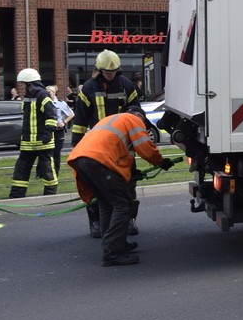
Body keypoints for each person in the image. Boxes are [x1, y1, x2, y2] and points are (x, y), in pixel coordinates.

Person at [68, 108, 173, 266]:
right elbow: (145, 146)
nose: (143, 127)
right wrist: (161, 162)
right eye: (144, 123)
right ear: (139, 116)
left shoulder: (111, 120)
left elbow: (121, 153)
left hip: (81, 160)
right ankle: (112, 252)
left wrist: (131, 172)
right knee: (122, 203)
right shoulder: (133, 119)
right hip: (98, 161)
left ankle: (114, 243)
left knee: (106, 202)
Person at [72, 50, 143, 238]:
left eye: (113, 72)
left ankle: (128, 220)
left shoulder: (126, 85)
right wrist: (77, 146)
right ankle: (95, 222)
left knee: (128, 185)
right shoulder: (88, 88)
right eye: (107, 72)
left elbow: (137, 112)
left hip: (123, 147)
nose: (110, 75)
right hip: (98, 149)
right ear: (99, 70)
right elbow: (80, 120)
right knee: (96, 186)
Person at [9, 69, 59, 198]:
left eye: (25, 84)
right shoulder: (28, 97)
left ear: (31, 83)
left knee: (47, 170)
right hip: (28, 142)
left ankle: (50, 195)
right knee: (21, 170)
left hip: (43, 142)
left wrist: (47, 135)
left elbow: (52, 116)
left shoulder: (43, 95)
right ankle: (16, 196)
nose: (23, 86)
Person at [46, 85, 74, 179]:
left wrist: (64, 122)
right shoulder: (44, 103)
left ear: (55, 93)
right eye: (48, 91)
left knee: (56, 153)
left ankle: (56, 172)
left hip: (58, 131)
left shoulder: (60, 103)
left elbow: (71, 114)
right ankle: (44, 172)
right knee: (46, 152)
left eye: (51, 91)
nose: (49, 93)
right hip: (47, 130)